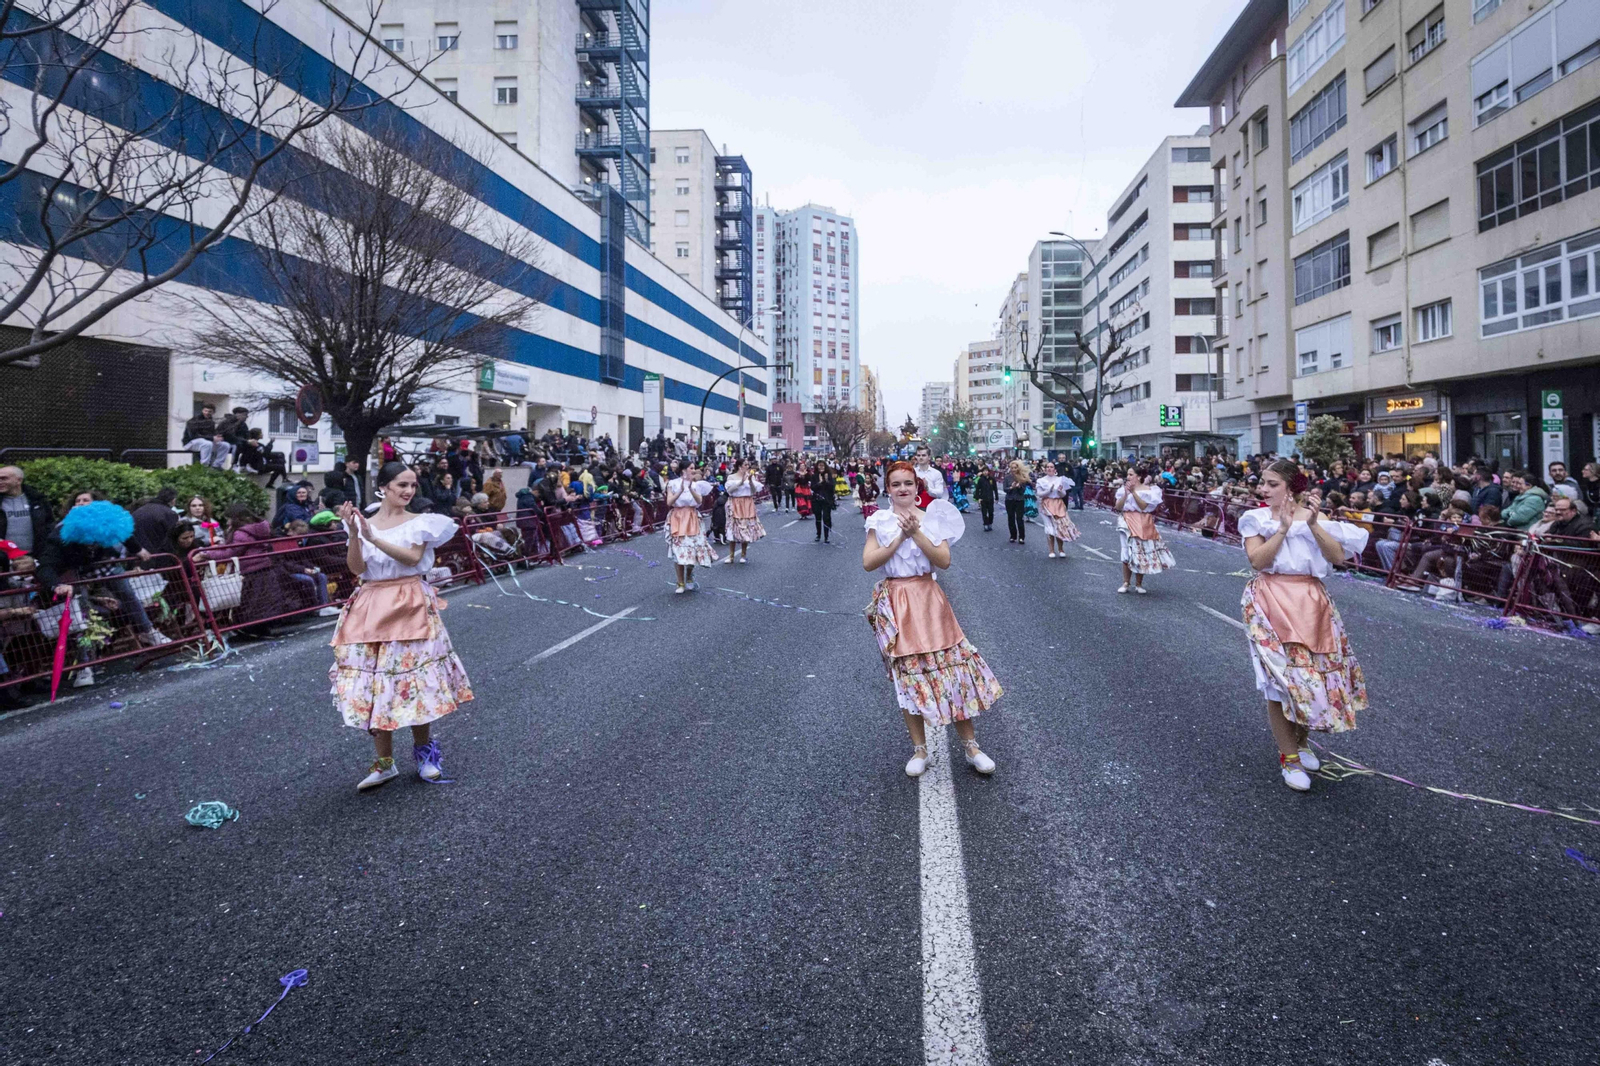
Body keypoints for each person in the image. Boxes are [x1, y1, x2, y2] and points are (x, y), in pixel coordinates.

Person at [330, 462, 472, 791]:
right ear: (383, 487)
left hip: (410, 602)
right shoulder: (363, 523)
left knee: (414, 680)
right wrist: (354, 533)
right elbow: (356, 567)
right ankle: (384, 763)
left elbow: (411, 559)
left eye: (412, 485)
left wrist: (372, 537)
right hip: (370, 604)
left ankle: (425, 755)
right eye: (401, 485)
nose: (408, 491)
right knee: (374, 684)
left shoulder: (420, 523)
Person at [863, 461, 1002, 778]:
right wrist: (899, 536)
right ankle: (920, 750)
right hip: (896, 601)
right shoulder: (880, 520)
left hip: (929, 599)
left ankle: (971, 747)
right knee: (907, 677)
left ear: (917, 487)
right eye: (896, 484)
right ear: (888, 488)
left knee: (952, 672)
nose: (902, 489)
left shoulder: (934, 518)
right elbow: (869, 562)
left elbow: (943, 560)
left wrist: (917, 533)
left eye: (908, 483)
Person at [1239, 459, 1371, 792]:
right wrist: (1282, 528)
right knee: (1281, 682)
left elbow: (1339, 557)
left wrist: (1313, 525)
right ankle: (1290, 759)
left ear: (1291, 486)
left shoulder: (1318, 518)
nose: (1263, 489)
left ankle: (1300, 741)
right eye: (1263, 483)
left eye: (1272, 484)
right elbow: (1257, 560)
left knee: (1312, 677)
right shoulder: (1256, 519)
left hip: (1312, 601)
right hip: (1271, 600)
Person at [1115, 468, 1174, 593]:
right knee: (1127, 551)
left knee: (1141, 552)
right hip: (1127, 520)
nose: (1128, 477)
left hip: (1143, 521)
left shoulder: (1149, 490)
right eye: (1127, 474)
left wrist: (1134, 493)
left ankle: (1139, 584)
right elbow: (1118, 507)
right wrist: (1126, 494)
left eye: (1131, 474)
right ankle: (1126, 582)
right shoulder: (1122, 490)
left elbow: (1143, 506)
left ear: (1138, 476)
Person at [665, 464, 715, 593]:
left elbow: (699, 501)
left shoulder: (696, 485)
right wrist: (680, 490)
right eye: (691, 468)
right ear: (683, 470)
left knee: (692, 549)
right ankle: (680, 582)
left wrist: (691, 488)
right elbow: (669, 502)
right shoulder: (673, 483)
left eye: (693, 468)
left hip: (692, 517)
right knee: (678, 550)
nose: (693, 470)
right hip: (678, 517)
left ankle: (689, 574)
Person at [0, 465, 55, 561]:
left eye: (4, 478)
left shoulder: (38, 500)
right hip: (3, 559)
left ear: (19, 480)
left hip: (35, 557)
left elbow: (49, 524)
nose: (0, 482)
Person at [1034, 461, 1080, 558]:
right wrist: (1048, 490)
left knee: (1059, 527)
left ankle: (1061, 549)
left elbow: (1063, 494)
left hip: (1058, 504)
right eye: (1048, 467)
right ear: (1045, 469)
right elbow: (1039, 494)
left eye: (1052, 467)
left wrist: (1060, 491)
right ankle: (1051, 550)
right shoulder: (1040, 480)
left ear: (1055, 469)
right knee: (1049, 528)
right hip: (1046, 504)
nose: (1050, 469)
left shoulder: (1060, 479)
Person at [724, 458, 766, 564]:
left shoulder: (751, 477)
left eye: (748, 465)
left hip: (747, 503)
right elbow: (729, 490)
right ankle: (731, 556)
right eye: (745, 464)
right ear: (740, 466)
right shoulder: (731, 477)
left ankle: (743, 555)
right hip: (735, 502)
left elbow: (753, 491)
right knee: (733, 528)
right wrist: (741, 482)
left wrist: (751, 481)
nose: (748, 467)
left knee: (745, 528)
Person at [131, 487, 180, 556]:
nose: (198, 508)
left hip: (137, 554)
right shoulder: (169, 513)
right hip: (160, 556)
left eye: (200, 505)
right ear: (173, 500)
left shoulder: (138, 512)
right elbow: (173, 537)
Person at [182, 404, 233, 468]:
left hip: (205, 443)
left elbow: (210, 434)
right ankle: (204, 466)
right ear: (202, 410)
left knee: (225, 445)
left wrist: (217, 436)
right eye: (205, 411)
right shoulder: (193, 421)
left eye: (209, 411)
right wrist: (212, 438)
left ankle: (216, 465)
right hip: (190, 443)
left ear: (213, 412)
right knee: (207, 444)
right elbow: (194, 435)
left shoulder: (211, 422)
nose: (207, 413)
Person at [1003, 459, 1030, 544]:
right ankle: (1013, 536)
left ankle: (1021, 537)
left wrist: (1019, 487)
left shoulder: (1022, 477)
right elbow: (1005, 489)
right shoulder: (1007, 477)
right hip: (1009, 499)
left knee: (1019, 518)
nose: (1013, 469)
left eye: (1015, 468)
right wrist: (1011, 487)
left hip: (1019, 500)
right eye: (1012, 468)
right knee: (1010, 518)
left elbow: (1023, 491)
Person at [812, 460, 838, 543]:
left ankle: (826, 536)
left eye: (823, 466)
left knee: (826, 517)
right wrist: (819, 482)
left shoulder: (829, 475)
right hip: (817, 499)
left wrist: (827, 481)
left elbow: (832, 488)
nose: (821, 467)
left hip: (827, 500)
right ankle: (818, 534)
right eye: (819, 466)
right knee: (818, 518)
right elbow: (813, 487)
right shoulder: (814, 476)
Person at [974, 465, 997, 532]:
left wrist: (996, 497)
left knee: (991, 512)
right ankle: (985, 524)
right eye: (984, 471)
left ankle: (990, 523)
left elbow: (995, 489)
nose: (985, 472)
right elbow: (978, 489)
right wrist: (978, 498)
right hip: (983, 498)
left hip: (990, 498)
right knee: (984, 512)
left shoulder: (992, 479)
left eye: (986, 471)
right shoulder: (981, 479)